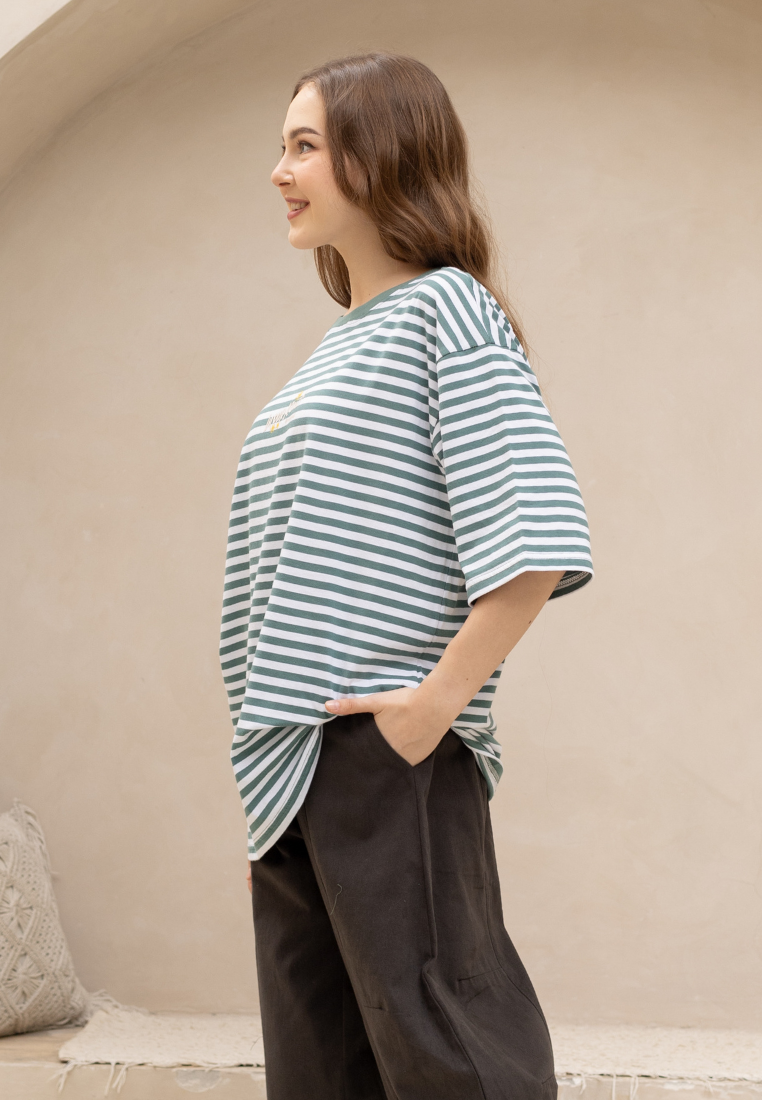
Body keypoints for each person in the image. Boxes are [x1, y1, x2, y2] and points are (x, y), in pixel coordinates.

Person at [220, 52, 593, 1100]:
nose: (280, 171)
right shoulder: (343, 344)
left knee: (451, 1059)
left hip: (382, 750)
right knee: (322, 1067)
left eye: (304, 146)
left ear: (379, 153)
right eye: (282, 146)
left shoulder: (447, 312)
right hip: (295, 758)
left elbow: (535, 534)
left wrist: (427, 713)